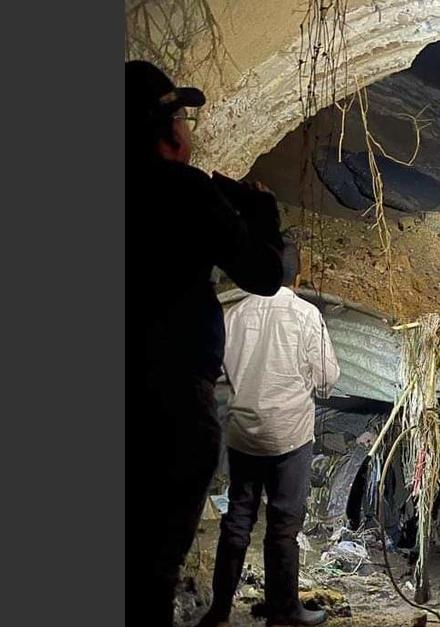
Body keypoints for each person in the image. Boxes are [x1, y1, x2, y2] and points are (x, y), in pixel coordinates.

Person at [127, 60, 285, 626]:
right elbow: (264, 274)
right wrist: (264, 217)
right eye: (185, 119)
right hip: (170, 403)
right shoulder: (185, 191)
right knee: (153, 566)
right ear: (170, 130)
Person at [198, 241, 340, 627]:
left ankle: (219, 611)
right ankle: (284, 612)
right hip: (290, 437)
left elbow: (218, 372)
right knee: (283, 527)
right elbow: (328, 379)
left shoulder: (234, 315)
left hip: (244, 434)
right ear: (296, 276)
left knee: (237, 522)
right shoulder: (306, 315)